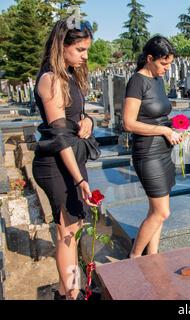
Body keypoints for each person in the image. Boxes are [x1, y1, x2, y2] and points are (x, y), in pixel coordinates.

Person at [32, 20, 96, 300]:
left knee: (75, 228)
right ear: (62, 46)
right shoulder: (51, 79)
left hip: (70, 160)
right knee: (67, 232)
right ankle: (73, 292)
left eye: (87, 50)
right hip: (56, 164)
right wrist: (80, 179)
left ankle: (65, 291)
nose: (85, 56)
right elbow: (58, 138)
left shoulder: (69, 75)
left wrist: (89, 121)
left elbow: (74, 116)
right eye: (80, 49)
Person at [123, 36, 183, 258]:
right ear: (150, 58)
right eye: (163, 63)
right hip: (147, 153)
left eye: (169, 63)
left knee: (156, 211)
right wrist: (164, 131)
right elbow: (128, 123)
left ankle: (153, 256)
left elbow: (157, 115)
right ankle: (135, 257)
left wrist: (174, 128)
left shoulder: (158, 80)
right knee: (162, 212)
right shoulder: (137, 81)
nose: (167, 68)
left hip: (164, 150)